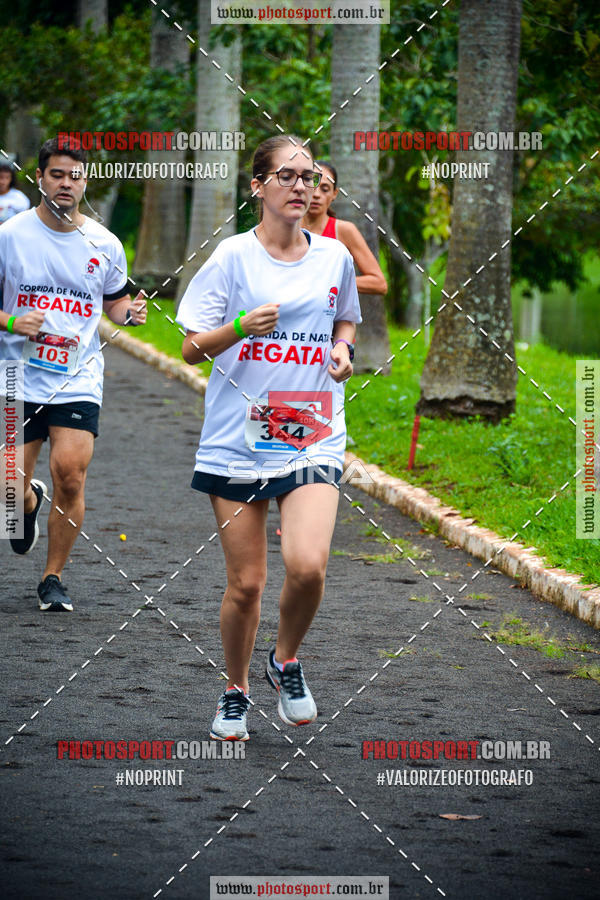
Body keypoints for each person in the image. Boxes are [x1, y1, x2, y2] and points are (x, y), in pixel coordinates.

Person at [177, 135, 361, 741]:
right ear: (258, 186)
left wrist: (343, 350)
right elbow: (190, 347)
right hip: (237, 437)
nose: (301, 186)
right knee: (247, 584)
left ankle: (284, 660)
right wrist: (238, 326)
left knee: (307, 566)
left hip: (311, 431)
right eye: (287, 175)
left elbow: (345, 317)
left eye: (309, 177)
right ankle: (236, 689)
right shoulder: (232, 257)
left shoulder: (334, 256)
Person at [0, 136, 147, 611]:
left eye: (75, 176)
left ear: (86, 182)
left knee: (70, 475)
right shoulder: (10, 236)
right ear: (40, 178)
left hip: (76, 377)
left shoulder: (104, 243)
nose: (66, 183)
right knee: (7, 491)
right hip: (16, 376)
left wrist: (129, 314)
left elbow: (115, 302)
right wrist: (12, 323)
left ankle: (53, 578)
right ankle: (26, 503)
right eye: (57, 174)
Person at [302, 160, 388, 296]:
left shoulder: (344, 230)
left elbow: (379, 283)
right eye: (312, 186)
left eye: (325, 189)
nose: (317, 194)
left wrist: (332, 281)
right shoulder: (286, 228)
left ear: (334, 194)